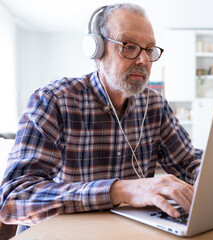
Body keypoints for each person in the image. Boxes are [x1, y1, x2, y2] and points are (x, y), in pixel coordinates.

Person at [0, 3, 202, 227]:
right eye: (128, 46)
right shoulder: (53, 100)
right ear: (96, 50)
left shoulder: (155, 106)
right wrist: (120, 190)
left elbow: (187, 163)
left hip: (127, 232)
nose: (143, 60)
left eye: (149, 49)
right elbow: (12, 198)